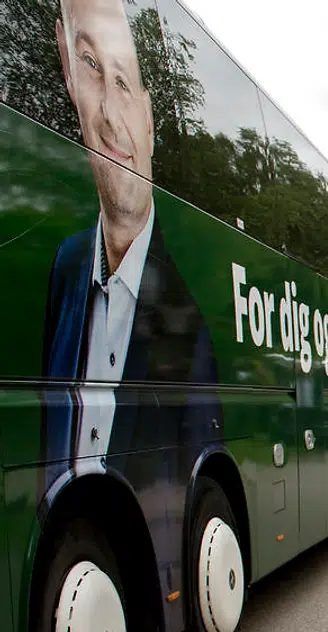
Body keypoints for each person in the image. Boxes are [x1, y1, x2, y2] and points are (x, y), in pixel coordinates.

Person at [42, 0, 221, 498]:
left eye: (122, 82)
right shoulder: (67, 265)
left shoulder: (193, 328)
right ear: (67, 69)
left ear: (148, 121)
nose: (109, 116)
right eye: (91, 66)